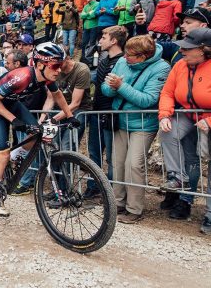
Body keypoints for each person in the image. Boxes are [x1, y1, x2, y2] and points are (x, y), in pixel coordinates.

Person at [0, 42, 80, 217]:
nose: (59, 70)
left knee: (37, 133)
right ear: (40, 64)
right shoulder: (22, 76)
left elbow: (57, 95)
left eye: (61, 64)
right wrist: (13, 120)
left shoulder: (48, 77)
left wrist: (70, 115)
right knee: (3, 154)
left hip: (12, 103)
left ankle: (16, 155)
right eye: (55, 65)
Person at [101, 35, 170, 224]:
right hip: (120, 120)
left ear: (144, 56)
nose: (126, 57)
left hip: (143, 124)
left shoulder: (161, 67)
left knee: (134, 165)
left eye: (131, 55)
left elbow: (148, 100)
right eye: (126, 53)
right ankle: (117, 203)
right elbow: (105, 90)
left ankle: (134, 208)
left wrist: (121, 86)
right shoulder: (122, 62)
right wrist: (112, 87)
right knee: (117, 163)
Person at [158, 28, 211, 229]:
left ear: (203, 50)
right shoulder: (180, 65)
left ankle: (210, 214)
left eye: (188, 49)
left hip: (208, 118)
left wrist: (209, 121)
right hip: (189, 115)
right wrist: (164, 115)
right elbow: (167, 92)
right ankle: (178, 177)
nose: (183, 51)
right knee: (168, 131)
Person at [86, 26, 126, 197]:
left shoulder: (122, 62)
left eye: (104, 36)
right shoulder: (103, 61)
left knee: (111, 156)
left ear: (114, 40)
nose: (100, 40)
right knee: (94, 152)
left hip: (111, 113)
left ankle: (109, 192)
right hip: (96, 112)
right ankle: (93, 186)